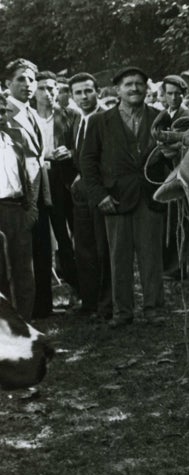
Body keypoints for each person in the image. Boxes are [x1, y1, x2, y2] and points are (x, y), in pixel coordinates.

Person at [80, 66, 166, 328]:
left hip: (151, 196)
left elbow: (172, 156)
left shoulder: (160, 117)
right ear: (117, 89)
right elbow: (87, 162)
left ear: (146, 88)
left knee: (152, 258)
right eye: (128, 84)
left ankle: (154, 309)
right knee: (119, 259)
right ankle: (122, 312)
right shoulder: (99, 122)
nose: (134, 88)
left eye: (140, 83)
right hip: (114, 200)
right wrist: (99, 196)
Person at [4, 58, 53, 319]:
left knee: (41, 249)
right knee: (19, 257)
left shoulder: (32, 112)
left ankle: (43, 307)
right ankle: (22, 312)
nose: (28, 84)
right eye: (21, 79)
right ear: (7, 83)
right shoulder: (5, 114)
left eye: (32, 79)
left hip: (39, 191)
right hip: (19, 196)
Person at [34, 71, 80, 305]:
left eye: (52, 88)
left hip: (63, 181)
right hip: (37, 181)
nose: (48, 93)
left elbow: (82, 149)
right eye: (42, 88)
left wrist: (70, 153)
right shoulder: (27, 116)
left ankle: (78, 287)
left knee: (68, 236)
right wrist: (45, 156)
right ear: (34, 90)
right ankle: (45, 296)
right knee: (42, 239)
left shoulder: (69, 115)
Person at [69, 72, 112, 320]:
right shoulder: (78, 120)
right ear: (72, 96)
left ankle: (107, 304)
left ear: (97, 91)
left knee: (103, 249)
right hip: (82, 193)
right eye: (78, 93)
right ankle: (90, 302)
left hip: (101, 191)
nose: (84, 97)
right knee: (84, 248)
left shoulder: (106, 118)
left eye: (88, 91)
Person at [0, 92, 36, 320]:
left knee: (24, 269)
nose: (1, 116)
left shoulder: (15, 137)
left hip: (17, 209)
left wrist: (30, 207)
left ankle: (24, 321)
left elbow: (29, 174)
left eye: (3, 111)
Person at [154, 74, 189, 280]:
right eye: (170, 94)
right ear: (164, 95)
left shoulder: (187, 115)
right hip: (166, 171)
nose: (174, 97)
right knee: (170, 219)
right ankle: (170, 265)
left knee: (182, 219)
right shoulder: (164, 115)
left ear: (184, 95)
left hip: (182, 171)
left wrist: (174, 146)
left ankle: (182, 266)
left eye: (178, 94)